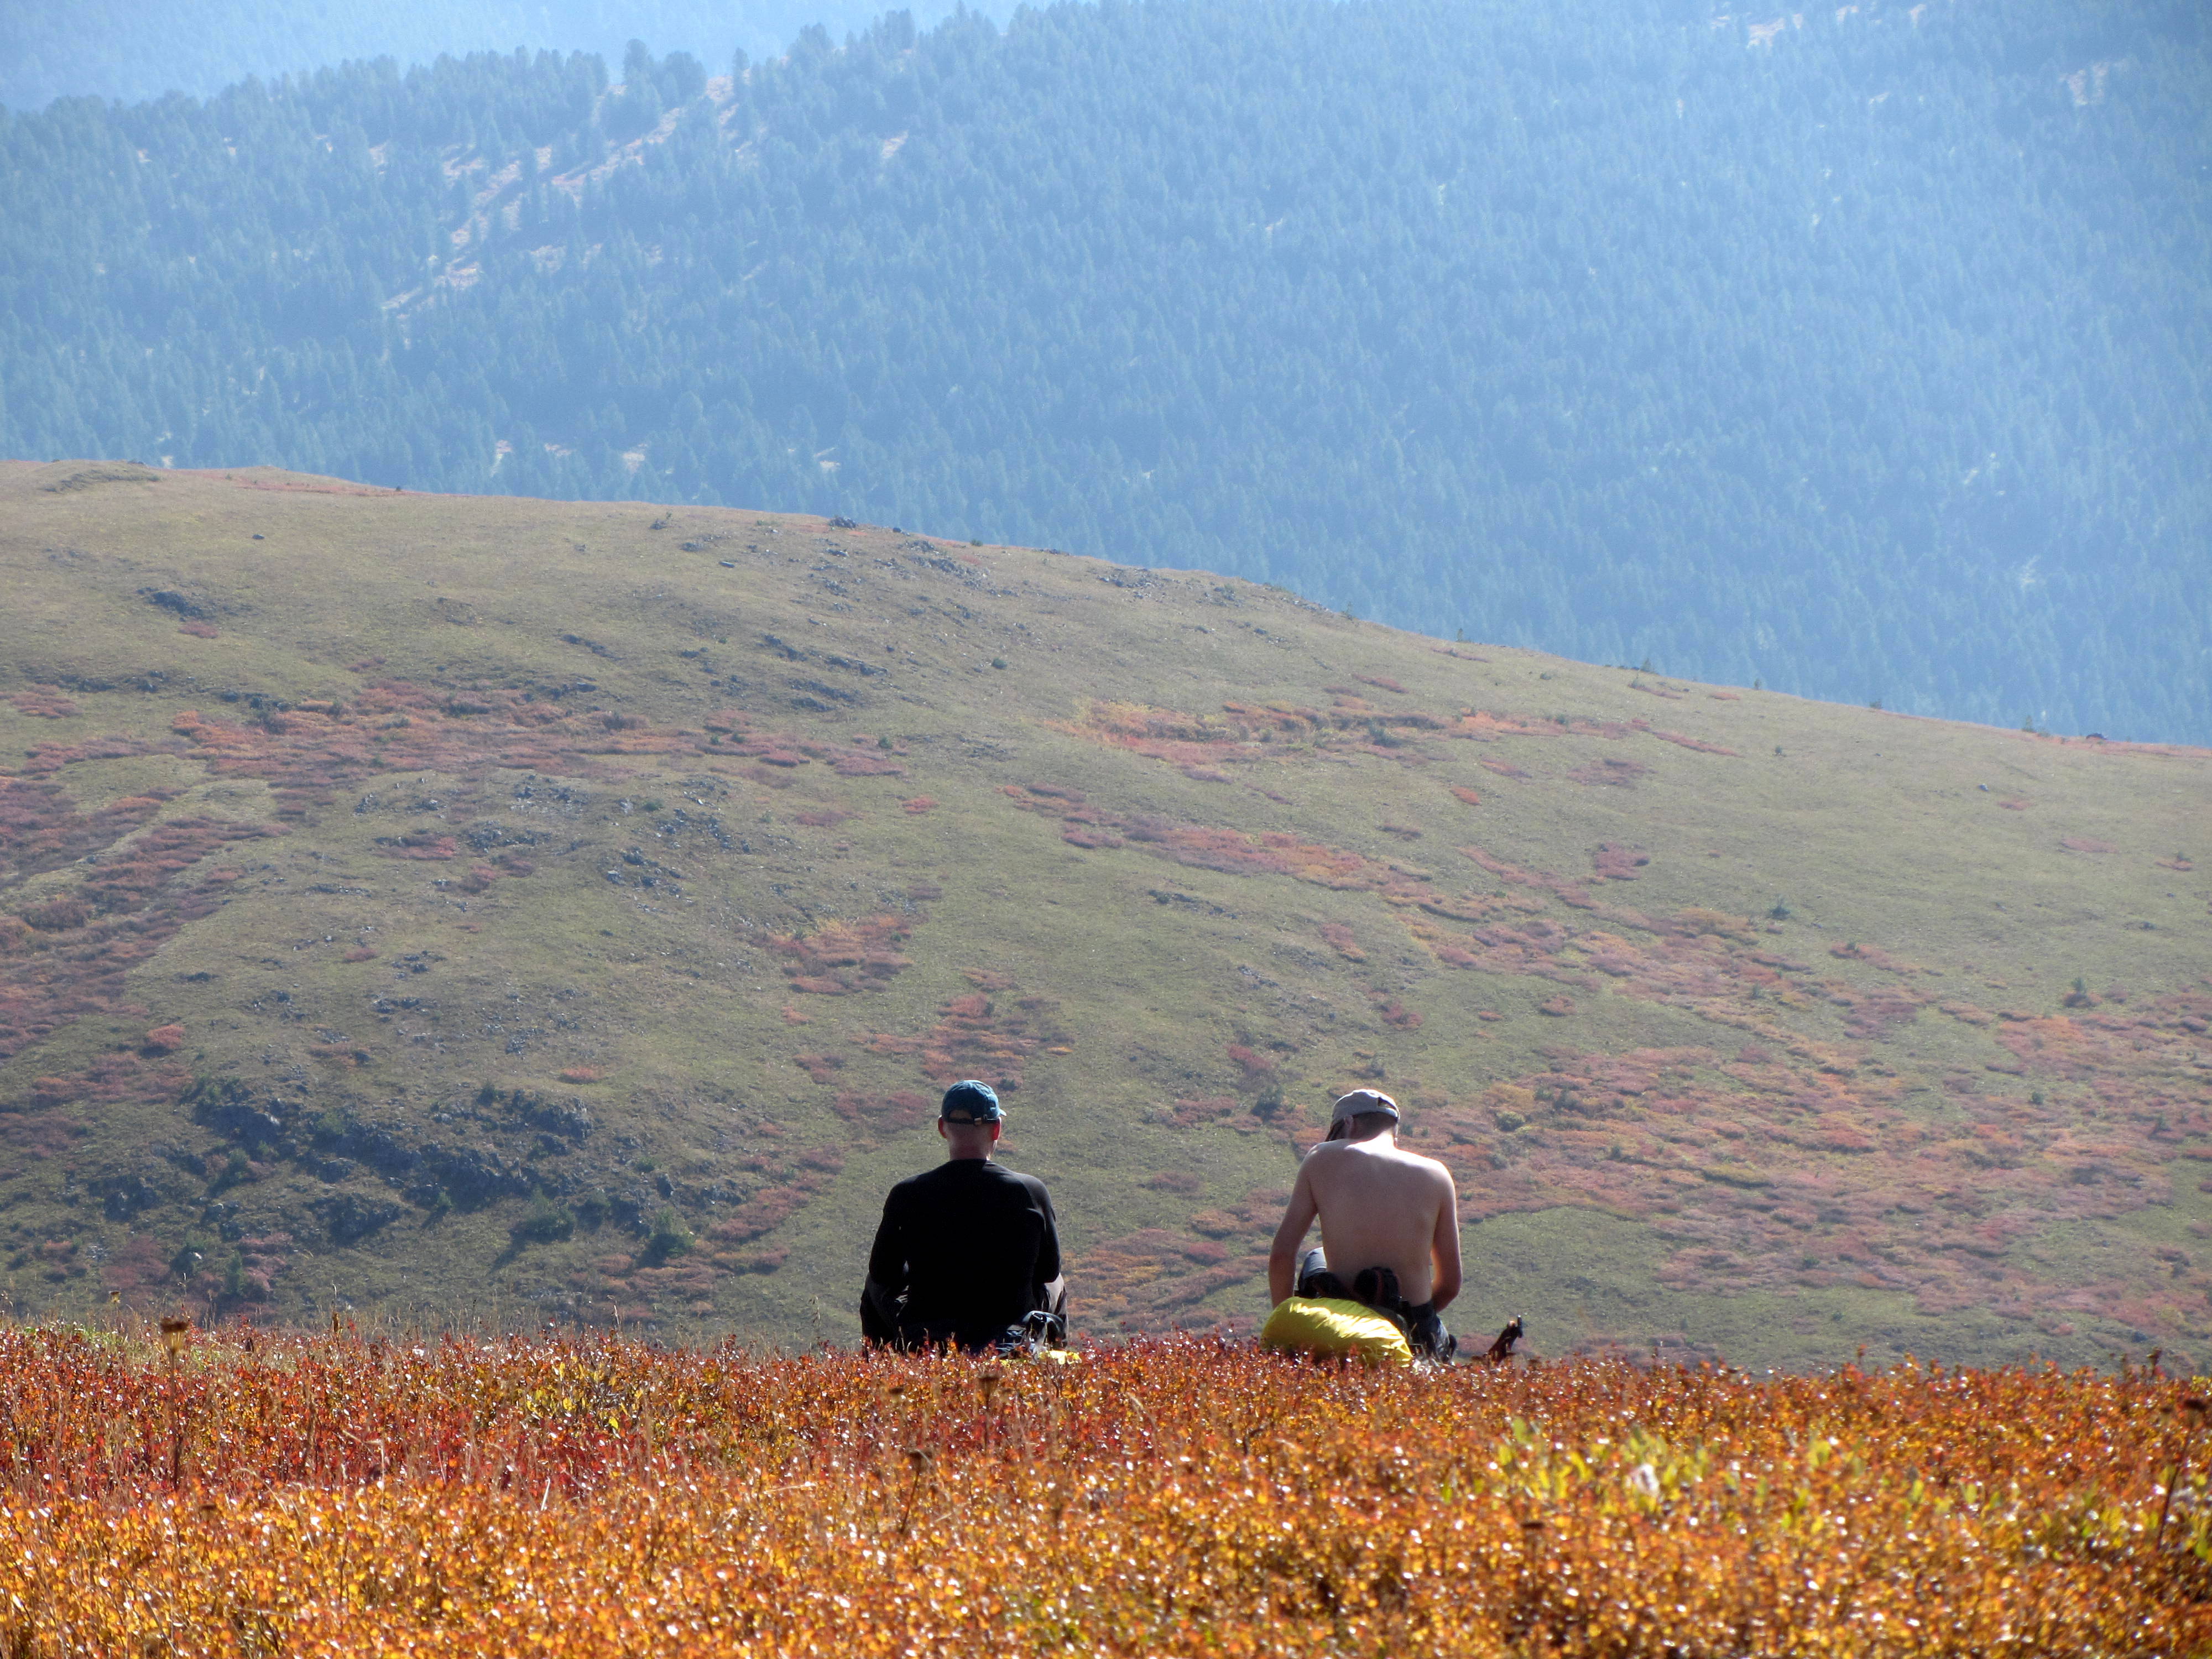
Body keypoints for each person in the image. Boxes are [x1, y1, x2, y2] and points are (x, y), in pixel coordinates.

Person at [860, 1079, 1066, 1352]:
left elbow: (883, 1272)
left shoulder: (907, 1193)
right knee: (1057, 1283)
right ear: (997, 1128)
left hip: (930, 1333)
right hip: (1008, 1334)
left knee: (874, 1284)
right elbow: (1049, 1270)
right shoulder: (1029, 1191)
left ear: (942, 1127)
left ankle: (883, 1364)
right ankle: (1051, 1361)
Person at [1267, 1089, 1461, 1359]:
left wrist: (1288, 1323)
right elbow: (1450, 1284)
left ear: (1349, 1123)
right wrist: (1405, 1320)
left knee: (1316, 1258)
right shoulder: (1437, 1174)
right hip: (1412, 1328)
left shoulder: (1321, 1157)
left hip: (1341, 1320)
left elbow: (1282, 1254)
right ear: (1394, 1133)